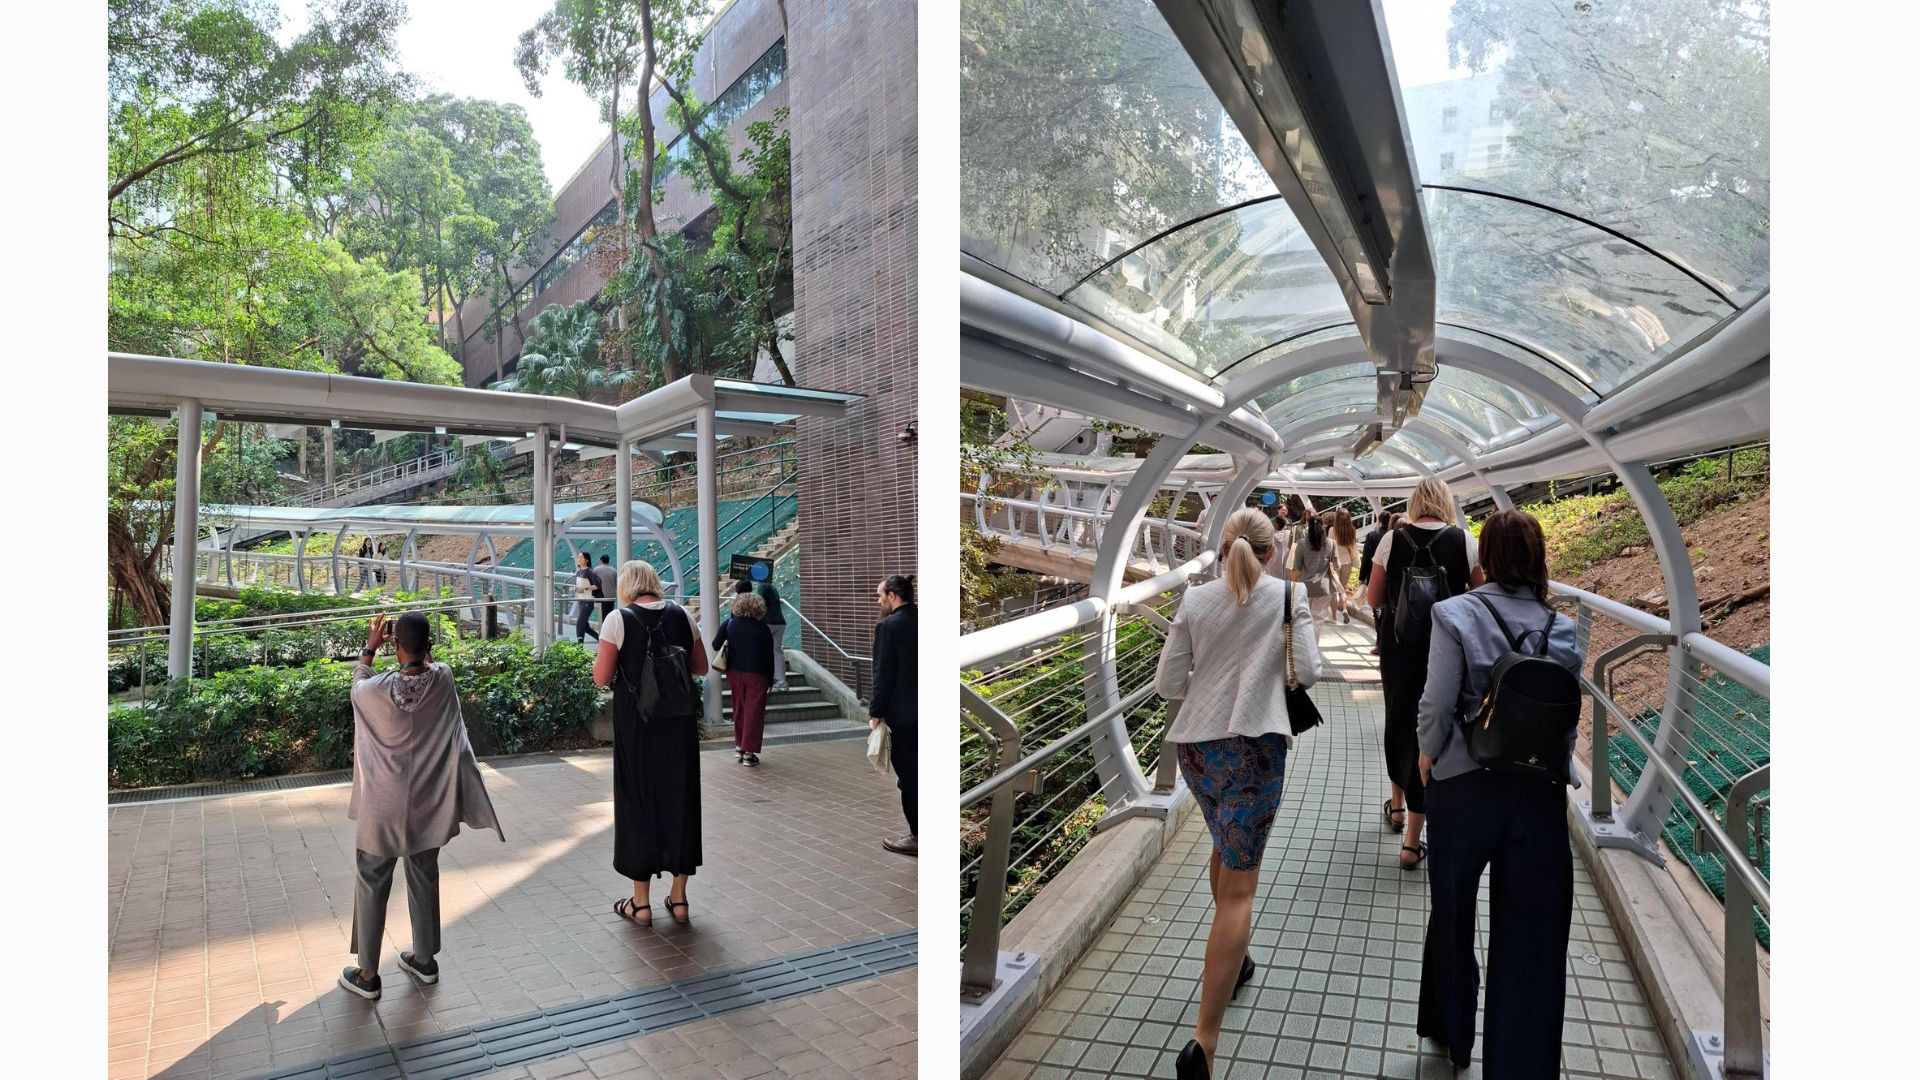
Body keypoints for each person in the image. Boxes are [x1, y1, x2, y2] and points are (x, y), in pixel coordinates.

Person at [1155, 507, 1322, 1080]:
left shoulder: (1196, 599)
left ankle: (1237, 957)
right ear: (1272, 551)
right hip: (1254, 754)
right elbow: (1311, 671)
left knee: (1224, 852)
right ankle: (1203, 1043)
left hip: (1199, 754)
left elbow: (1167, 683)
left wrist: (1213, 678)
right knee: (1240, 889)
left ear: (1223, 548)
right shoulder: (1287, 596)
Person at [1415, 510, 1582, 1074]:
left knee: (1452, 914)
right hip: (1536, 795)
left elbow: (1437, 703)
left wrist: (1428, 754)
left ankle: (1451, 1031)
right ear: (1538, 559)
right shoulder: (1562, 627)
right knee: (1532, 939)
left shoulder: (1454, 613)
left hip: (1463, 787)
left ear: (1483, 558)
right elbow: (1562, 718)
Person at [338, 612, 504, 1001]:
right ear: (429, 645)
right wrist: (418, 650)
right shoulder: (443, 678)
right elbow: (428, 666)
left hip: (383, 806)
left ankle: (367, 974)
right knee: (424, 874)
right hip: (428, 803)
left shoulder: (373, 691)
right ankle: (424, 961)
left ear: (395, 645)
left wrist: (370, 648)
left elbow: (357, 681)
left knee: (372, 878)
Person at [1368, 480, 1482, 869]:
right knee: (1433, 729)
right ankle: (1413, 841)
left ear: (1416, 502)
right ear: (1446, 502)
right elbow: (1479, 596)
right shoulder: (1464, 541)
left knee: (1399, 720)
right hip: (1446, 649)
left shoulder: (1391, 539)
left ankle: (1397, 806)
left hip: (1399, 648)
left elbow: (1374, 598)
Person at [592, 561, 708, 927]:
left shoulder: (618, 620)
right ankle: (679, 898)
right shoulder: (682, 615)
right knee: (681, 800)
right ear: (654, 583)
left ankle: (640, 904)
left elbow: (601, 677)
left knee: (637, 801)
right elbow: (701, 667)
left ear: (626, 586)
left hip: (637, 727)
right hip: (678, 724)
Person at [869, 574, 917, 857]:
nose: (879, 601)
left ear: (892, 596)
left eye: (880, 596)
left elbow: (883, 673)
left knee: (909, 777)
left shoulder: (888, 626)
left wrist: (876, 712)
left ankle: (918, 836)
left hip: (903, 715)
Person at [712, 590, 775, 766]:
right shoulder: (763, 628)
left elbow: (715, 644)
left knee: (738, 709)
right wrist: (770, 680)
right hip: (757, 674)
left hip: (734, 673)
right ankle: (749, 753)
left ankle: (739, 746)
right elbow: (769, 657)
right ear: (758, 608)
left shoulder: (730, 623)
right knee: (753, 712)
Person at [1275, 495, 1336, 631]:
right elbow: (1336, 565)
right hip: (1325, 586)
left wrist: (1293, 585)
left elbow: (1296, 567)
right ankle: (1314, 642)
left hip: (1304, 585)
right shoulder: (1331, 543)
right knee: (1317, 620)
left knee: (1303, 618)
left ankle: (1305, 641)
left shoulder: (1302, 543)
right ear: (1322, 526)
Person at [759, 579, 788, 690]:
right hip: (780, 622)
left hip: (768, 622)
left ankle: (765, 679)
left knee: (762, 650)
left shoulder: (762, 587)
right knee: (777, 650)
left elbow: (759, 604)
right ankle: (781, 681)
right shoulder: (773, 587)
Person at [573, 551, 602, 643]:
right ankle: (601, 640)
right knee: (585, 626)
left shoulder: (590, 571)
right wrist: (575, 589)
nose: (579, 559)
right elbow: (580, 586)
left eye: (582, 557)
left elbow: (597, 585)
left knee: (579, 623)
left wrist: (585, 588)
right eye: (579, 557)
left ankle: (579, 647)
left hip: (588, 600)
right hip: (581, 599)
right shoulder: (579, 572)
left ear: (587, 560)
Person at [594, 555, 618, 626]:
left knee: (602, 615)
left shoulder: (596, 570)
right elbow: (616, 583)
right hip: (611, 596)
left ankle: (603, 629)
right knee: (609, 614)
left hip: (600, 596)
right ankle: (609, 628)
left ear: (601, 560)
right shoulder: (614, 570)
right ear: (608, 561)